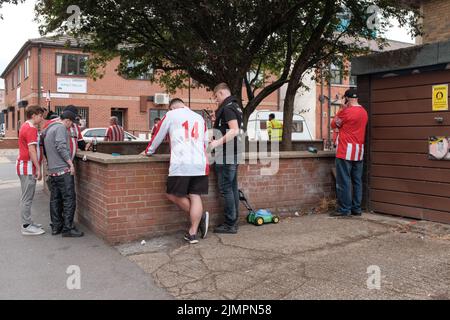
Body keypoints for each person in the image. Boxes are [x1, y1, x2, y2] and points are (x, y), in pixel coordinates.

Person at [141, 98, 209, 244]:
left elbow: (158, 135)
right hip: (199, 162)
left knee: (171, 194)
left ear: (171, 108)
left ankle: (199, 218)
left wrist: (148, 151)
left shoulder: (171, 115)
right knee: (195, 195)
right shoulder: (199, 117)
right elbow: (205, 142)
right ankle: (193, 232)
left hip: (181, 163)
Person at [43, 110, 84, 237]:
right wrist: (70, 164)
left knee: (55, 199)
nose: (71, 127)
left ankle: (56, 226)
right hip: (63, 170)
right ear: (68, 121)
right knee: (69, 199)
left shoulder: (49, 129)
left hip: (53, 170)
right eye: (71, 124)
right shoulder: (61, 128)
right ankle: (68, 228)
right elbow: (61, 146)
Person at [209, 83, 244, 234]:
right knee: (232, 187)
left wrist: (217, 142)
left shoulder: (228, 107)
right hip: (234, 152)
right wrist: (215, 121)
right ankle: (234, 222)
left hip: (227, 154)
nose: (216, 100)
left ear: (222, 93)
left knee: (226, 189)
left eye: (216, 97)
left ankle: (230, 224)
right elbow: (229, 127)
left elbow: (234, 130)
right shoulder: (235, 106)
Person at [329, 88, 368, 217]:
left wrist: (341, 109)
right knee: (357, 180)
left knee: (344, 180)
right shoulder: (364, 112)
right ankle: (356, 208)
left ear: (347, 99)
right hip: (359, 150)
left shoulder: (345, 112)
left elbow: (333, 124)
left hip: (345, 150)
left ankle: (344, 209)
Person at [17, 105, 46, 236]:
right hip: (27, 167)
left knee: (26, 197)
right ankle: (26, 226)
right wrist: (38, 168)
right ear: (33, 115)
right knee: (27, 198)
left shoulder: (25, 126)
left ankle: (28, 222)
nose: (41, 118)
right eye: (40, 115)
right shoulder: (31, 129)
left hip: (24, 166)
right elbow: (32, 150)